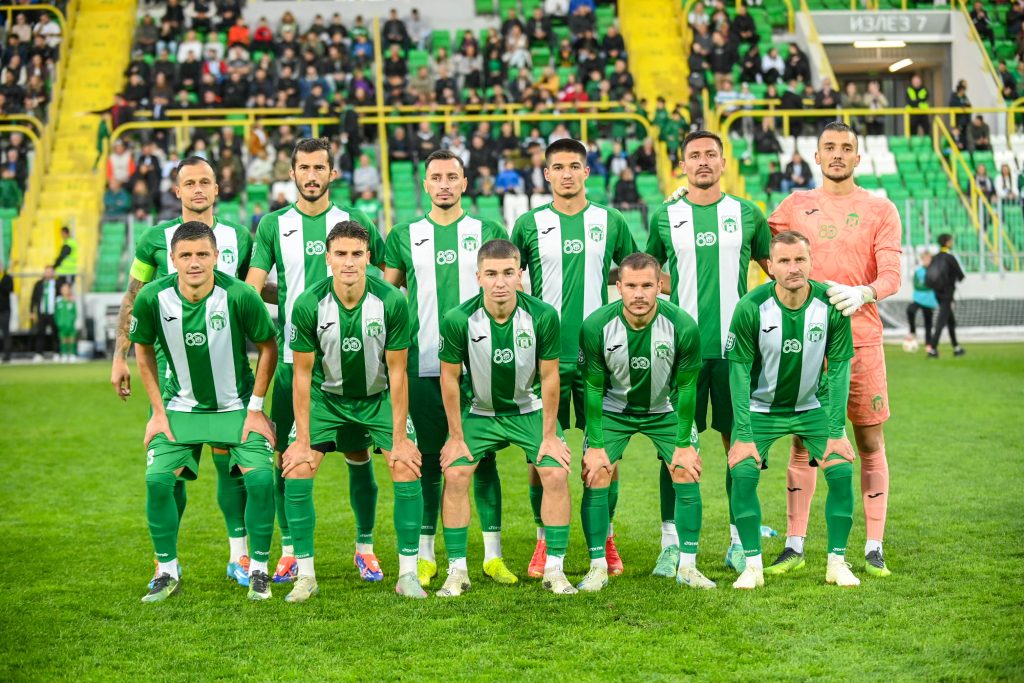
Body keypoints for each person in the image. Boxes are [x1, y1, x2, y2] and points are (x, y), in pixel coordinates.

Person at [110, 155, 258, 588]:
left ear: (217, 189)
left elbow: (252, 289)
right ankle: (165, 563)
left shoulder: (239, 237)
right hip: (173, 373)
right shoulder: (154, 239)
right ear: (176, 191)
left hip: (228, 368)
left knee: (230, 464)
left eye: (205, 182)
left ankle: (239, 556)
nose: (197, 189)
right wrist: (120, 356)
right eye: (189, 183)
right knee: (168, 468)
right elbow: (134, 296)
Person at [245, 137, 387, 585]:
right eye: (303, 168)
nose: (311, 176)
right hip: (294, 363)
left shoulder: (355, 222)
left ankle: (365, 547)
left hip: (353, 361)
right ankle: (289, 551)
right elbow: (252, 288)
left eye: (319, 168)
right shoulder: (273, 224)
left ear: (332, 173)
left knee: (358, 454)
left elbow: (387, 276)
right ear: (291, 174)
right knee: (288, 457)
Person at [768, 121, 902, 577]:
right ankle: (794, 545)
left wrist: (864, 292)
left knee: (869, 440)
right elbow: (754, 242)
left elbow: (892, 275)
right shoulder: (794, 205)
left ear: (858, 157)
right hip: (806, 341)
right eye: (830, 147)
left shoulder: (880, 209)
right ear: (817, 156)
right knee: (802, 442)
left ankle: (874, 546)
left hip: (862, 340)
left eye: (846, 147)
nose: (838, 154)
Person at [130, 222, 278, 602]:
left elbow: (268, 346)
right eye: (185, 255)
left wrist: (256, 408)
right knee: (157, 481)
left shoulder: (241, 295)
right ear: (173, 259)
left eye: (202, 254)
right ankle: (166, 571)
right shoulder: (152, 297)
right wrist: (157, 412)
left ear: (215, 256)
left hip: (236, 407)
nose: (194, 262)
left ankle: (258, 569)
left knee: (262, 479)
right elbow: (142, 350)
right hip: (180, 407)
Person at [383, 150, 511, 589]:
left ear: (464, 183)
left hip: (479, 366)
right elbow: (387, 295)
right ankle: (425, 556)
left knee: (483, 458)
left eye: (451, 177)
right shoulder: (404, 235)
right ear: (424, 184)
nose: (444, 184)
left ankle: (492, 555)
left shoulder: (488, 231)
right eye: (435, 177)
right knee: (427, 461)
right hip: (422, 365)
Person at [510, 138, 636, 578]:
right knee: (540, 458)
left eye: (574, 166)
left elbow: (636, 274)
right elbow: (509, 278)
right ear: (546, 173)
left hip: (599, 358)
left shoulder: (610, 220)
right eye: (558, 167)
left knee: (606, 457)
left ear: (587, 171)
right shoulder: (528, 224)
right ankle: (544, 540)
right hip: (543, 359)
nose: (567, 174)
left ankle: (606, 539)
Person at [648, 130, 771, 578]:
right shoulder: (666, 216)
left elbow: (776, 271)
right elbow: (648, 274)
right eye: (694, 155)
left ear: (723, 162)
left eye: (710, 155)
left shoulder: (748, 213)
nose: (703, 161)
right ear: (682, 165)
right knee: (674, 446)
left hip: (737, 353)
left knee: (738, 445)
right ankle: (670, 545)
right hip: (682, 353)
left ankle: (739, 543)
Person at [281, 221, 425, 602]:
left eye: (357, 254)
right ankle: (305, 576)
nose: (349, 262)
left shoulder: (391, 301)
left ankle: (408, 574)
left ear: (368, 258)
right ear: (327, 258)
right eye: (341, 254)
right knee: (297, 467)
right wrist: (302, 440)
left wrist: (400, 440)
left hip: (377, 398)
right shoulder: (308, 304)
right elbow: (301, 375)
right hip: (325, 399)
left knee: (405, 464)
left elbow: (398, 372)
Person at [436, 238, 575, 597]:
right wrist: (456, 437)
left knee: (555, 472)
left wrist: (549, 436)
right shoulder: (458, 319)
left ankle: (555, 569)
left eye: (508, 273)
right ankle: (457, 571)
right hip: (481, 412)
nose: (500, 282)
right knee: (455, 473)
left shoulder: (543, 315)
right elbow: (449, 379)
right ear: (478, 277)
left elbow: (550, 377)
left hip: (529, 410)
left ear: (520, 275)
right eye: (492, 274)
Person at [726, 230, 860, 589]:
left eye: (800, 259)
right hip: (760, 407)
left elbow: (840, 369)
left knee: (841, 468)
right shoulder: (751, 307)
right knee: (742, 472)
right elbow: (738, 373)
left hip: (813, 406)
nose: (793, 267)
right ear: (770, 266)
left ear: (811, 261)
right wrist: (743, 434)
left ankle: (837, 563)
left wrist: (837, 431)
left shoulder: (831, 305)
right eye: (784, 261)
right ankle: (752, 567)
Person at [577, 252, 714, 592]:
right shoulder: (596, 326)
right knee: (596, 472)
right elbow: (592, 388)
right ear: (619, 286)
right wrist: (596, 445)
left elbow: (687, 388)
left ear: (660, 286)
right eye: (631, 286)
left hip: (665, 409)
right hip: (613, 409)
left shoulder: (682, 325)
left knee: (686, 470)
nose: (639, 294)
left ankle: (688, 566)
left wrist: (683, 444)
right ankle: (597, 567)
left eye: (647, 286)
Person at [925, 233, 966, 358]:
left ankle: (956, 347)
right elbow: (961, 275)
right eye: (951, 241)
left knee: (950, 321)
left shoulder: (935, 257)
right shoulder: (950, 258)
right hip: (947, 293)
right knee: (941, 321)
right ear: (948, 242)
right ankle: (932, 348)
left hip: (937, 293)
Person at [906, 250, 937, 348]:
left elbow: (936, 284)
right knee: (910, 310)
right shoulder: (918, 271)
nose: (927, 261)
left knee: (928, 321)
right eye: (925, 259)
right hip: (918, 298)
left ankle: (928, 343)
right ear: (922, 260)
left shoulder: (934, 271)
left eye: (929, 259)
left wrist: (928, 286)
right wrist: (927, 287)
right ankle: (912, 331)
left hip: (929, 300)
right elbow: (916, 285)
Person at [30, 265, 58, 361]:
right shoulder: (39, 284)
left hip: (53, 312)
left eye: (50, 272)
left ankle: (56, 353)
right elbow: (33, 298)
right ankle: (39, 353)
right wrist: (32, 311)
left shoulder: (57, 283)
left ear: (53, 273)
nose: (48, 273)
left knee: (55, 333)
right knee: (40, 333)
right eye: (47, 271)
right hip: (42, 312)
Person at [55, 281, 77, 362]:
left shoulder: (72, 301)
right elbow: (56, 313)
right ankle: (64, 354)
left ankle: (72, 354)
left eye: (66, 289)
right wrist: (58, 322)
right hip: (62, 325)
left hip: (70, 325)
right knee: (63, 340)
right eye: (63, 289)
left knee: (71, 339)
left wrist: (72, 321)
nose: (65, 291)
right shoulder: (58, 301)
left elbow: (74, 313)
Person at [0, 260, 11, 362]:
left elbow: (8, 289)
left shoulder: (7, 278)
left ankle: (7, 356)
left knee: (5, 333)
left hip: (4, 310)